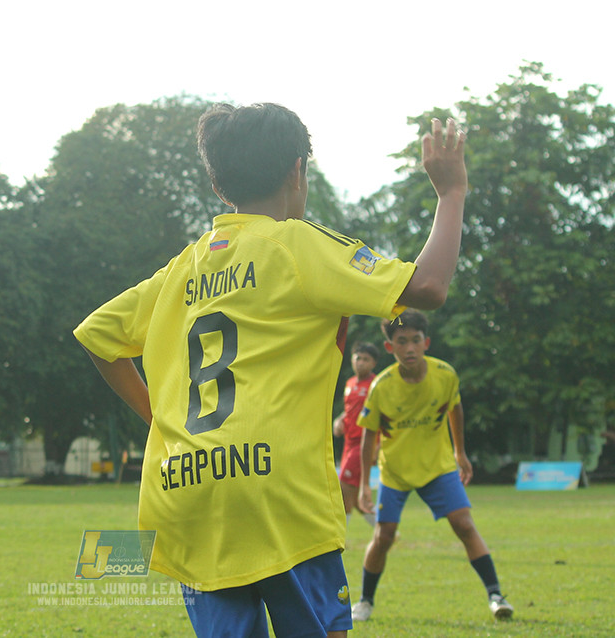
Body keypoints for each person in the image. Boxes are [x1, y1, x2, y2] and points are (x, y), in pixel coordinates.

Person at [73, 102, 469, 638]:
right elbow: (427, 287)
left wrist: (157, 419)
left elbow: (99, 336)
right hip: (276, 492)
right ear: (297, 172)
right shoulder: (297, 245)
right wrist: (451, 193)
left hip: (186, 489)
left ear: (220, 187)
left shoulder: (181, 269)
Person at [351, 310, 513, 623]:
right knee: (384, 536)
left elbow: (454, 408)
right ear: (390, 348)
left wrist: (460, 452)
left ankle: (496, 595)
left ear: (426, 342)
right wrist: (363, 485)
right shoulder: (381, 387)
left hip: (437, 467)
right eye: (401, 342)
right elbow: (368, 437)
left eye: (415, 340)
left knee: (464, 524)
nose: (409, 348)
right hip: (395, 472)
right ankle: (365, 602)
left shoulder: (445, 374)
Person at [333, 341, 381, 528]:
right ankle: (384, 530)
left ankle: (340, 532)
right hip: (348, 442)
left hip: (363, 444)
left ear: (373, 363)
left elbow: (382, 415)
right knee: (355, 493)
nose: (361, 363)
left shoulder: (376, 384)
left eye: (366, 359)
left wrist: (378, 446)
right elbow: (350, 410)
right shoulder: (350, 383)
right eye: (358, 358)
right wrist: (339, 421)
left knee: (344, 486)